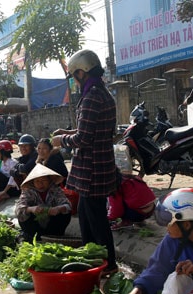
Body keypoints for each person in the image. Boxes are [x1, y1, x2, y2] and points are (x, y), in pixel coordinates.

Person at [51, 49, 118, 273]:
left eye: (75, 75)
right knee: (86, 216)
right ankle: (92, 258)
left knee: (95, 219)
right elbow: (91, 129)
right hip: (99, 165)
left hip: (92, 169)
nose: (75, 80)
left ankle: (108, 264)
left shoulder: (91, 97)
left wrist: (62, 139)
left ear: (82, 72)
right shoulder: (102, 93)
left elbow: (84, 138)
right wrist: (67, 131)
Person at [15, 164, 72, 241]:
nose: (40, 184)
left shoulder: (55, 189)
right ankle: (35, 237)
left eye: (44, 180)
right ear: (33, 182)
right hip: (35, 226)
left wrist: (58, 208)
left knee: (66, 212)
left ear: (49, 180)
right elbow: (19, 208)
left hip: (52, 224)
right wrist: (31, 209)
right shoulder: (28, 191)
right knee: (22, 214)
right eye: (37, 181)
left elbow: (67, 204)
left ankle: (55, 235)